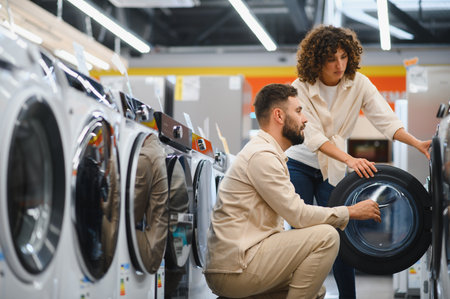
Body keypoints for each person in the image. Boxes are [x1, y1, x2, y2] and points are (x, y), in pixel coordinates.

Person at [286, 25, 432, 299]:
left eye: (343, 56)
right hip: (301, 164)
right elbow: (312, 135)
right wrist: (351, 159)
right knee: (301, 232)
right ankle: (303, 294)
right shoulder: (300, 87)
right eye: (331, 59)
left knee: (341, 233)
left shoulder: (359, 83)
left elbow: (384, 118)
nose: (339, 65)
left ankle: (348, 297)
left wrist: (417, 143)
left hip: (334, 166)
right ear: (316, 60)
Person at [204, 83, 381, 299]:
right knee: (326, 236)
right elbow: (299, 215)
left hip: (240, 262)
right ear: (279, 116)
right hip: (235, 268)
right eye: (298, 111)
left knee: (316, 291)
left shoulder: (268, 153)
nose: (305, 119)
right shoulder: (263, 157)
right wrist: (351, 211)